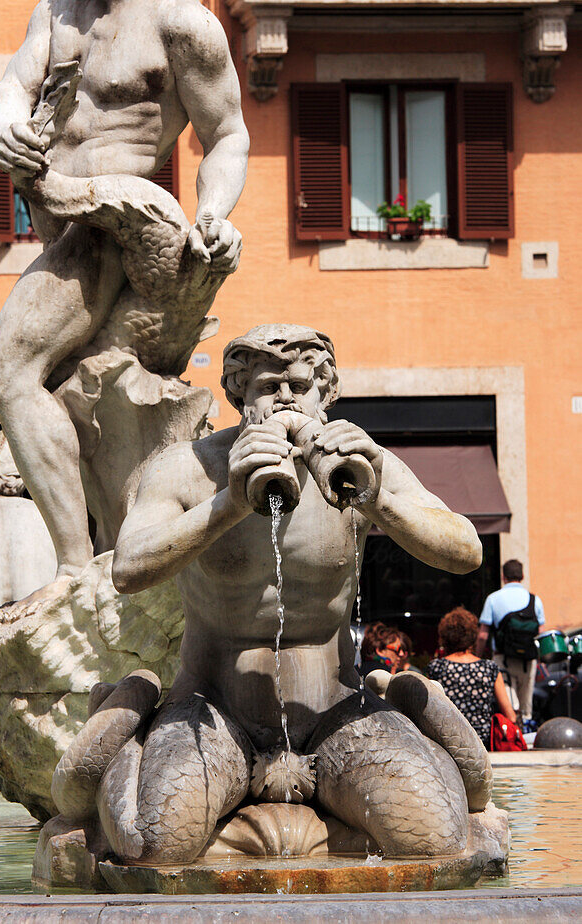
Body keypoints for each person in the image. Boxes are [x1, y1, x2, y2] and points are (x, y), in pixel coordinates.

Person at [100, 323, 483, 862]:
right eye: (266, 387)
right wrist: (229, 504)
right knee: (155, 844)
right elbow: (128, 568)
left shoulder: (361, 461)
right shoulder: (190, 468)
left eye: (299, 387)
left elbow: (465, 550)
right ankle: (132, 744)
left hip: (335, 709)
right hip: (214, 709)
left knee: (434, 838)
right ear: (238, 395)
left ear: (324, 395)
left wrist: (378, 502)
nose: (284, 399)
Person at [0, 0, 249, 582]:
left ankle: (75, 572)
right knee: (68, 396)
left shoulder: (182, 24)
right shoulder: (62, 9)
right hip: (60, 218)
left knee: (6, 375)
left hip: (115, 229)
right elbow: (12, 85)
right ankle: (110, 547)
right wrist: (3, 124)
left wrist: (212, 215)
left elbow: (226, 134)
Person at [428, 607, 516, 748]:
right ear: (472, 636)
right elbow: (510, 716)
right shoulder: (489, 668)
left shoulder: (436, 668)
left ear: (445, 637)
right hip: (482, 743)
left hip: (449, 741)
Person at [476, 559, 546, 724]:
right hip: (528, 662)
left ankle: (512, 739)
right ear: (522, 576)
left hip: (503, 660)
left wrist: (478, 658)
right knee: (526, 708)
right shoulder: (535, 600)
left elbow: (482, 635)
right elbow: (541, 633)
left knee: (509, 708)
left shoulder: (493, 598)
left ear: (503, 577)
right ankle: (525, 735)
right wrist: (541, 662)